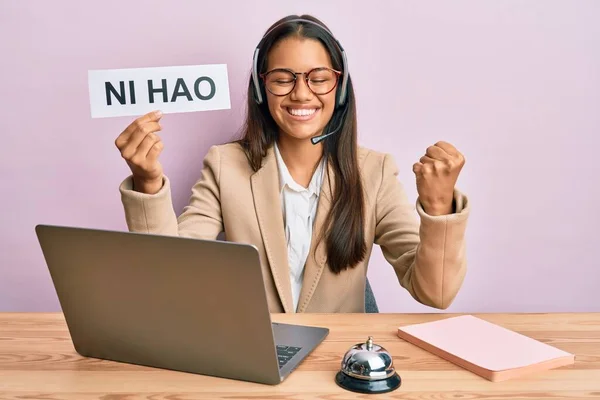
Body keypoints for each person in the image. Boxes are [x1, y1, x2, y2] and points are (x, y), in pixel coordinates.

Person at [115, 14, 469, 313]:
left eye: (318, 79)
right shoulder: (224, 165)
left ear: (340, 89)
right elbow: (168, 275)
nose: (301, 93)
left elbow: (435, 292)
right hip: (256, 352)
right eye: (283, 80)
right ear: (260, 88)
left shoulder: (374, 172)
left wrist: (439, 210)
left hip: (339, 362)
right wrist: (148, 184)